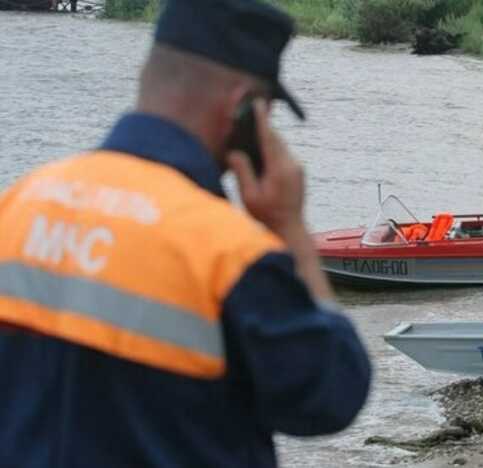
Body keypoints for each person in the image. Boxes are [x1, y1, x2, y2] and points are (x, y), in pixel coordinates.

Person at [0, 2, 371, 467]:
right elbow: (332, 393)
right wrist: (288, 227)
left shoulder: (18, 204)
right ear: (243, 111)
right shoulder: (230, 254)